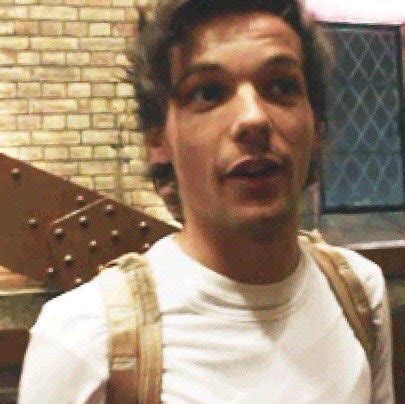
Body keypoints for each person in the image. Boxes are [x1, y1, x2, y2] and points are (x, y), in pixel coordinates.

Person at [19, 1, 394, 403]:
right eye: (209, 92)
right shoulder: (84, 340)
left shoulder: (358, 293)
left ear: (316, 126)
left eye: (282, 87)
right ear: (158, 140)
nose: (253, 119)